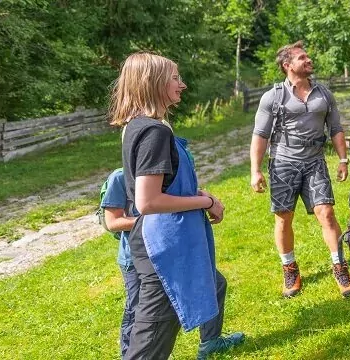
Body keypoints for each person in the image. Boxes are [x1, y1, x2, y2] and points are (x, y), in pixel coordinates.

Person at [110, 52, 243, 360]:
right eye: (175, 78)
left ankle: (211, 341)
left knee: (160, 329)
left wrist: (200, 197)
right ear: (152, 82)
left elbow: (164, 185)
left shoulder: (137, 125)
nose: (182, 85)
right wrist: (206, 201)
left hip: (161, 239)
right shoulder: (153, 131)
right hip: (161, 243)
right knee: (151, 337)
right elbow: (148, 200)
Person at [249, 40, 350, 298]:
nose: (308, 61)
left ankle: (339, 266)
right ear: (287, 65)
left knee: (327, 214)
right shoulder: (273, 96)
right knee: (284, 217)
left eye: (308, 57)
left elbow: (336, 129)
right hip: (283, 163)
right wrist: (256, 169)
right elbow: (260, 134)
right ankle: (290, 268)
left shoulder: (323, 94)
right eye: (302, 58)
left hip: (315, 162)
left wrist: (343, 159)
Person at [99, 169, 241, 359]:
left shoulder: (164, 176)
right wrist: (155, 220)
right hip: (135, 259)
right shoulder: (119, 177)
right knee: (137, 312)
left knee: (216, 284)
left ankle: (211, 342)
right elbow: (113, 222)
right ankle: (128, 355)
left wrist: (205, 200)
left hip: (172, 251)